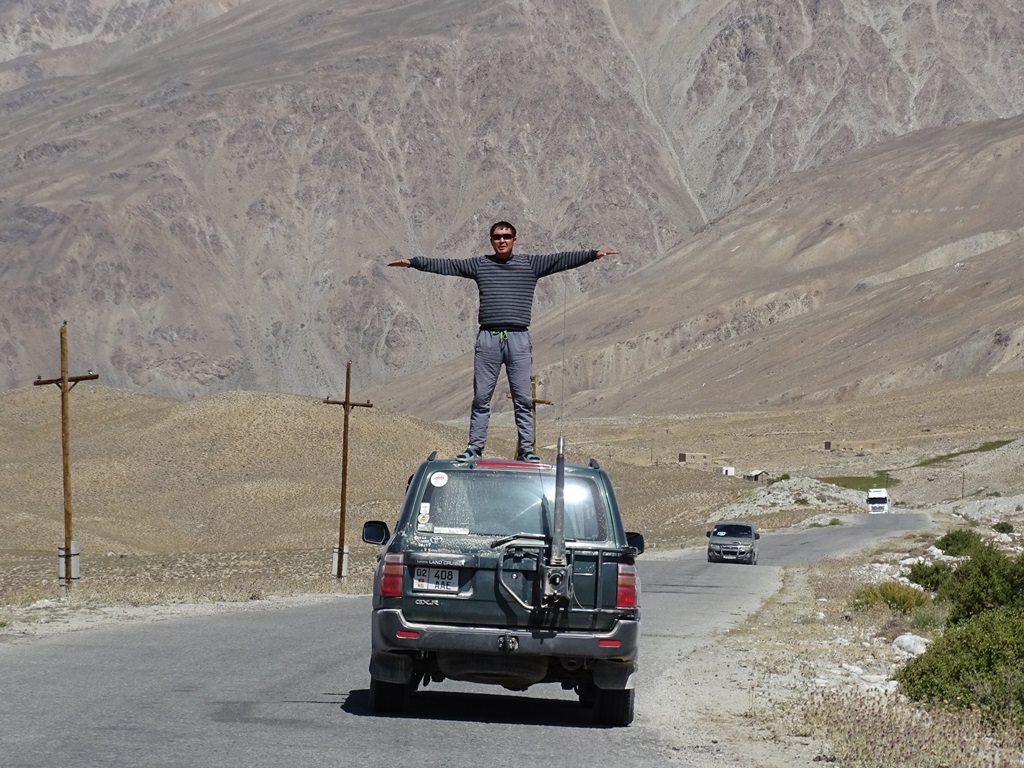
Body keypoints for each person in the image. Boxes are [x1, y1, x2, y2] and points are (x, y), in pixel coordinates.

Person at [388, 221, 617, 462]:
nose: (502, 240)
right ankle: (475, 448)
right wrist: (414, 263)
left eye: (507, 236)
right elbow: (448, 265)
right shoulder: (480, 265)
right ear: (491, 240)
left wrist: (592, 255)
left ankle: (527, 450)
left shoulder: (530, 264)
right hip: (488, 339)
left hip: (518, 339)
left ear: (515, 239)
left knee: (523, 399)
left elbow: (561, 260)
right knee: (481, 397)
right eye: (497, 236)